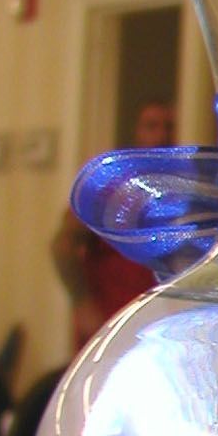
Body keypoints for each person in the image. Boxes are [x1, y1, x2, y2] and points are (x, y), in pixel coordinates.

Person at [52, 98, 176, 349]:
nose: (161, 135)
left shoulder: (179, 190)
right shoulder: (109, 187)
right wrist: (83, 305)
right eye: (152, 126)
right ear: (138, 133)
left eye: (169, 127)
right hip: (108, 323)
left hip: (156, 327)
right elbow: (63, 247)